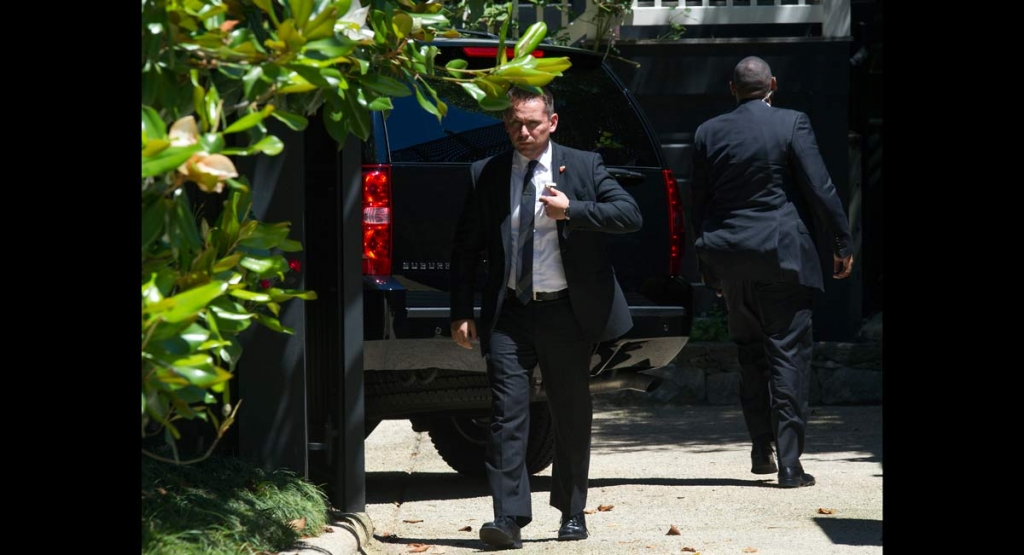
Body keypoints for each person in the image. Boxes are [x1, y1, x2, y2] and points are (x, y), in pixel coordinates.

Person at [449, 86, 642, 548]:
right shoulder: (488, 173)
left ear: (551, 122)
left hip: (566, 313)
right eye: (515, 123)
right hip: (510, 313)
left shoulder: (583, 165)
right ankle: (508, 518)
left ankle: (572, 512)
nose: (524, 131)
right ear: (505, 123)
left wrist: (572, 210)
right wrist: (460, 312)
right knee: (505, 416)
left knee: (570, 413)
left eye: (533, 122)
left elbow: (630, 214)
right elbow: (466, 248)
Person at [690, 56, 854, 489]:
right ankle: (790, 464)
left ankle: (760, 448)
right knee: (788, 357)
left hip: (731, 260)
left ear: (732, 89)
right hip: (783, 257)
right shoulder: (791, 123)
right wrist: (841, 242)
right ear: (772, 85)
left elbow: (699, 202)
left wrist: (708, 265)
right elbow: (820, 186)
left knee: (750, 355)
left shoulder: (708, 132)